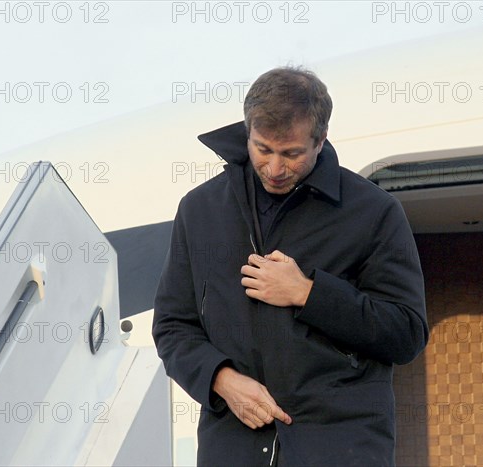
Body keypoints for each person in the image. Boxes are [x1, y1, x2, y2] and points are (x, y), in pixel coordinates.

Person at [152, 66, 428, 466]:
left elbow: (406, 332)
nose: (275, 168)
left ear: (321, 141)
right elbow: (173, 327)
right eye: (263, 149)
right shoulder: (199, 210)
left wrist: (309, 294)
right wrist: (221, 380)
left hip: (340, 449)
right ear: (247, 132)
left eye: (292, 153)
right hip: (232, 447)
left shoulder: (374, 212)